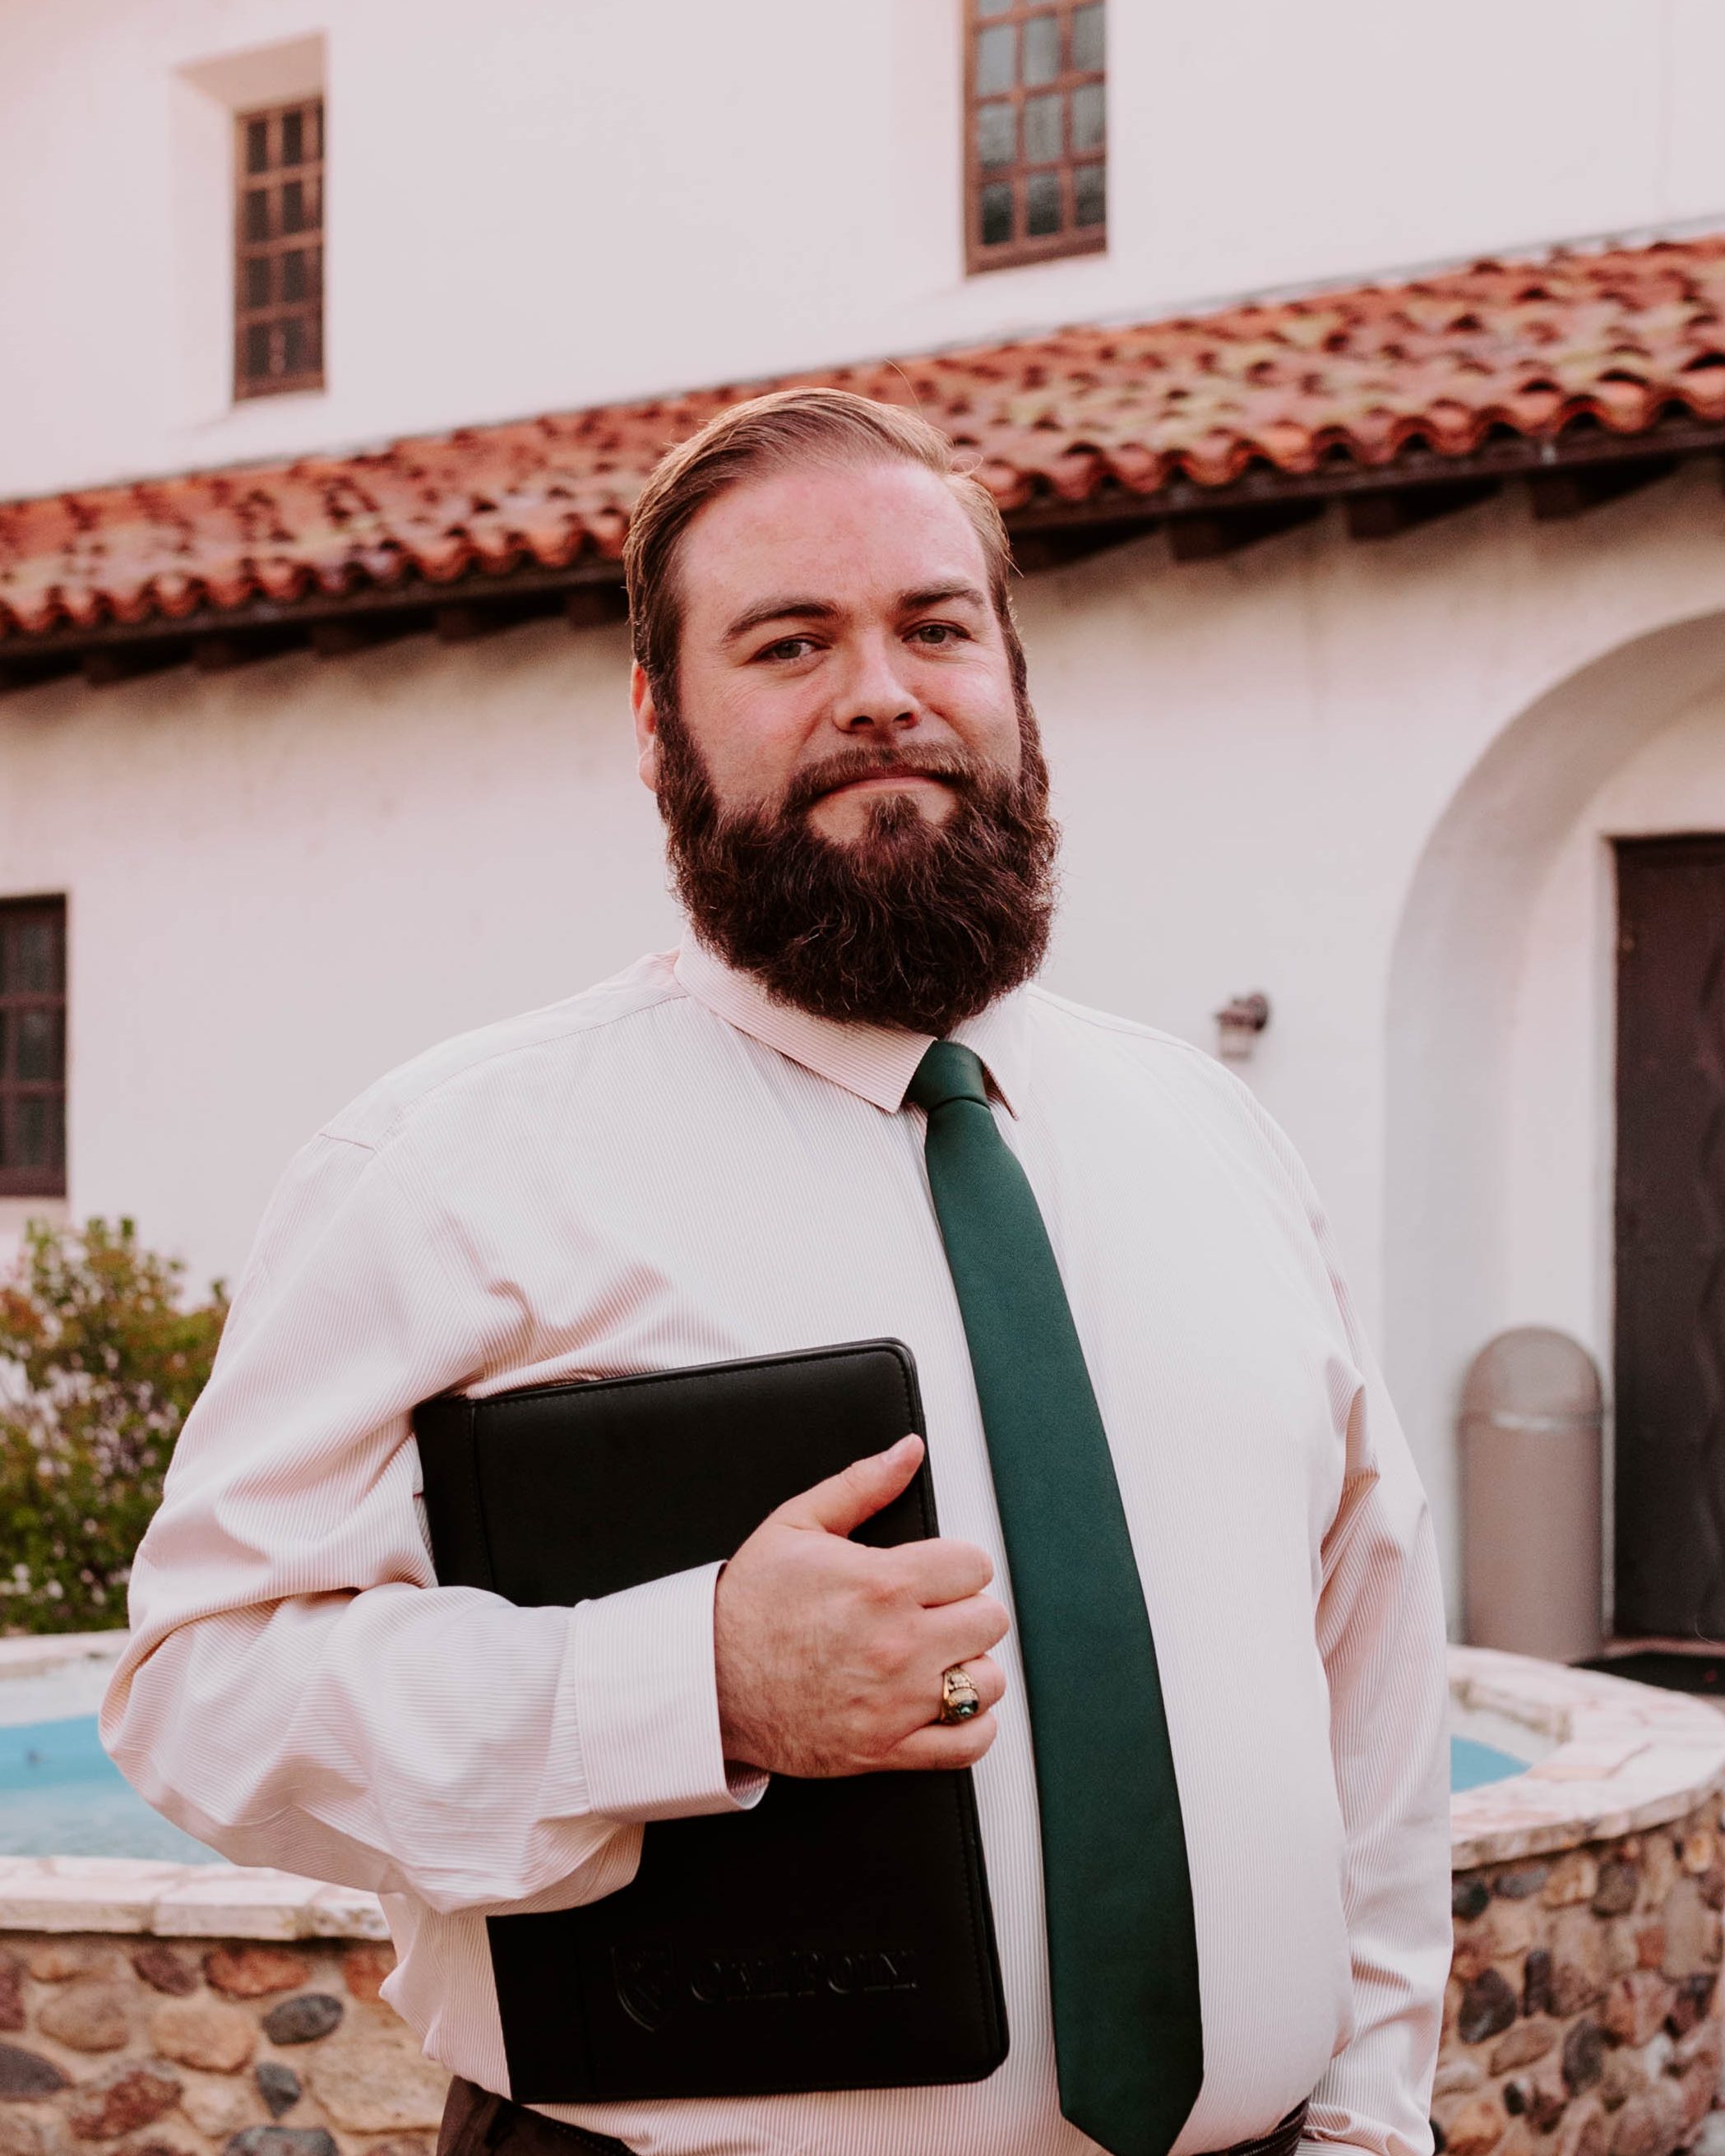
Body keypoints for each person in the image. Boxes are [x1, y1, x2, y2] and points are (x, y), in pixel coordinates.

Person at [104, 388, 1450, 2156]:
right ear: (659, 723)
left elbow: (1366, 1665)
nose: (879, 690)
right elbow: (199, 1692)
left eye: (934, 626)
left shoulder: (1219, 1141)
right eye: (788, 640)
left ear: (1012, 685)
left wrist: (1365, 2119)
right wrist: (689, 1687)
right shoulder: (443, 1166)